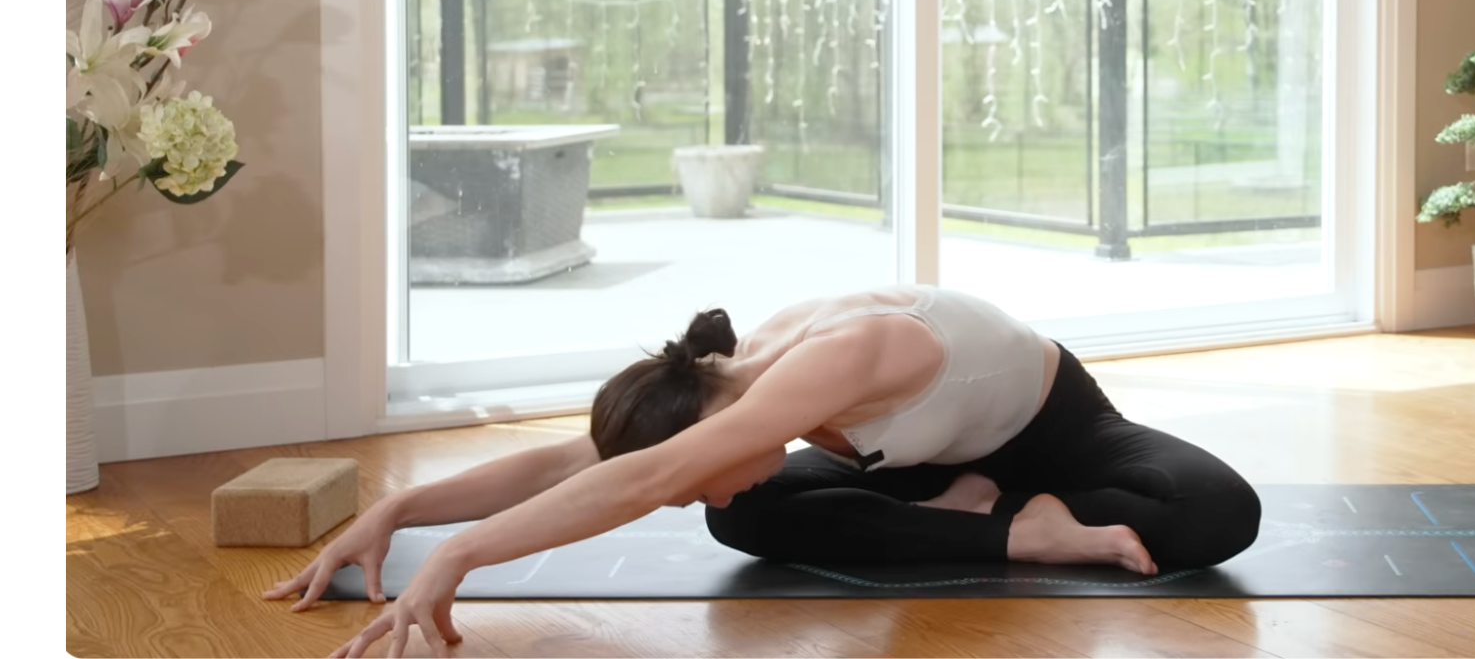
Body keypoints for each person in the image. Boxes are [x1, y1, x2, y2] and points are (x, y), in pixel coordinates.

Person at [271, 285, 1262, 659]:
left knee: (1218, 513)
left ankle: (1019, 512)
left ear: (709, 419)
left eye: (695, 463)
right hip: (929, 469)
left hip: (1056, 433)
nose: (695, 479)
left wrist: (462, 560)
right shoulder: (722, 393)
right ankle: (1010, 528)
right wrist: (401, 510)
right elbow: (582, 463)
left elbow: (635, 485)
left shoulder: (827, 360)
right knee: (738, 519)